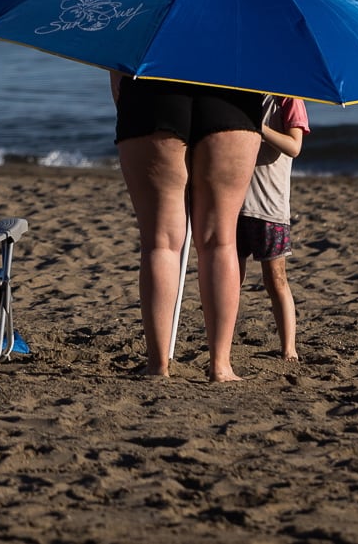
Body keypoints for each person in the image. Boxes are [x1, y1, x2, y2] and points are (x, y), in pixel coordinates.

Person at [112, 74, 263, 381]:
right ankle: (220, 366)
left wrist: (129, 100)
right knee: (221, 242)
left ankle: (158, 365)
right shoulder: (246, 22)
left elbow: (117, 66)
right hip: (233, 94)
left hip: (151, 94)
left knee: (160, 243)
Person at [239, 94, 310, 362]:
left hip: (270, 206)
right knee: (232, 278)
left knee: (276, 278)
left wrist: (260, 128)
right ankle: (222, 343)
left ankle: (288, 347)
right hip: (233, 202)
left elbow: (294, 146)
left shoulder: (288, 98)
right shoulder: (238, 93)